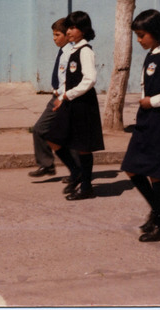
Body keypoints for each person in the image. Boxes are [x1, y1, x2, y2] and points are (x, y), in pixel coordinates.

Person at [121, 10, 160, 242]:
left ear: (155, 32)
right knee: (132, 167)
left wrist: (153, 101)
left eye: (141, 35)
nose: (139, 40)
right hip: (146, 118)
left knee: (156, 174)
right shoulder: (150, 55)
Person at [46, 11, 105, 200]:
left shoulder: (85, 51)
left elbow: (90, 80)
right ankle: (76, 171)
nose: (69, 31)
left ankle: (86, 186)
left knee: (83, 146)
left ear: (83, 30)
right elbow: (68, 78)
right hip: (71, 101)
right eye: (68, 27)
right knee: (53, 138)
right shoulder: (72, 49)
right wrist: (62, 96)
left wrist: (68, 95)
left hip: (83, 104)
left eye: (72, 27)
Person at [29, 18, 79, 179]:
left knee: (41, 129)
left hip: (62, 99)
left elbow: (70, 79)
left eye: (57, 34)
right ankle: (71, 170)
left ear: (67, 35)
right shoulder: (64, 51)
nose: (54, 38)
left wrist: (61, 95)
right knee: (65, 135)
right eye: (53, 34)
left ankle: (51, 166)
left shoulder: (70, 53)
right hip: (58, 96)